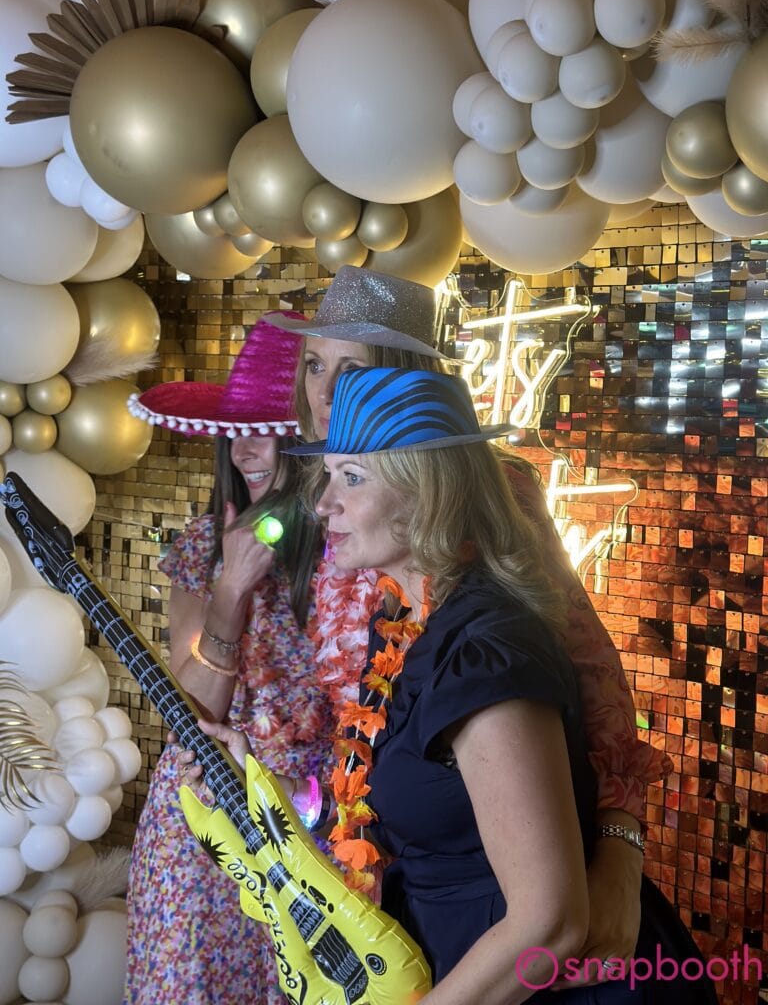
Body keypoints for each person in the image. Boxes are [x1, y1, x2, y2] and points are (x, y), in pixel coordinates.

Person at [189, 367, 715, 1004]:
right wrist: (255, 790)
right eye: (328, 476)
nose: (323, 503)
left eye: (351, 477)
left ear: (424, 497)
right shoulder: (407, 624)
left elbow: (548, 924)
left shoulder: (483, 651)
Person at [265, 265, 673, 977]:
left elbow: (588, 670)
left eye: (352, 368)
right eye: (313, 366)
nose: (325, 391)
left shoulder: (484, 495)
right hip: (376, 834)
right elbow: (337, 691)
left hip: (484, 855)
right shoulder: (316, 497)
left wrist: (618, 846)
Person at [123, 319, 334, 1005]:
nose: (245, 449)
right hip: (207, 822)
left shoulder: (354, 543)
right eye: (235, 429)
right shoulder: (201, 547)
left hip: (318, 830)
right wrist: (230, 592)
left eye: (268, 428)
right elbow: (193, 716)